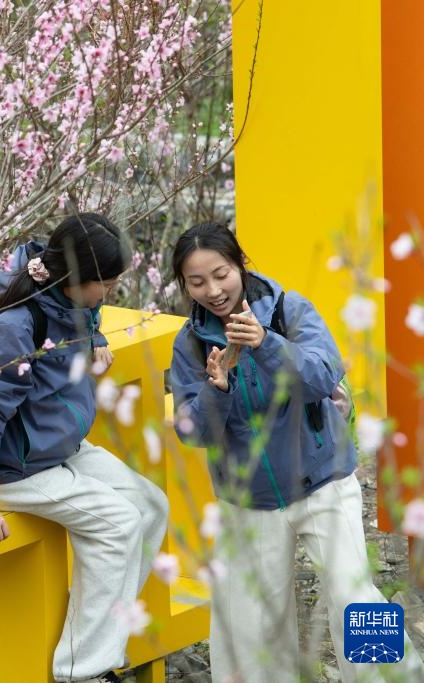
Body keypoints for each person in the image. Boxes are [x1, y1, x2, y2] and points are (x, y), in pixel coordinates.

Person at [169, 222, 423, 683]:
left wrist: (266, 344)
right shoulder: (189, 344)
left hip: (322, 480)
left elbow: (323, 377)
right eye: (197, 281)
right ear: (184, 285)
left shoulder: (289, 309)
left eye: (221, 273)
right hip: (247, 498)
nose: (213, 290)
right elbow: (193, 432)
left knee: (355, 599)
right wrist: (217, 389)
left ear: (240, 265)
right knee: (250, 625)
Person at [0, 212, 169, 683]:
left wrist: (93, 335)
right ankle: (82, 671)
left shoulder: (62, 292)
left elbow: (86, 311)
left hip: (60, 448)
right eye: (106, 285)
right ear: (76, 280)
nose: (109, 294)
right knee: (119, 523)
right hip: (15, 470)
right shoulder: (13, 326)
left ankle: (101, 636)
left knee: (151, 505)